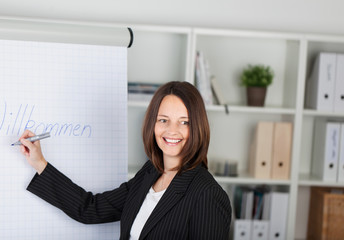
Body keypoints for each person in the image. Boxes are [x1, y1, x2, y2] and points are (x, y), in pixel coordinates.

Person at [19, 81, 232, 240]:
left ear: (198, 127)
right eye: (163, 120)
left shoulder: (208, 194)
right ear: (152, 124)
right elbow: (91, 208)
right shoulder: (150, 173)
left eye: (184, 122)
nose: (171, 130)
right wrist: (40, 163)